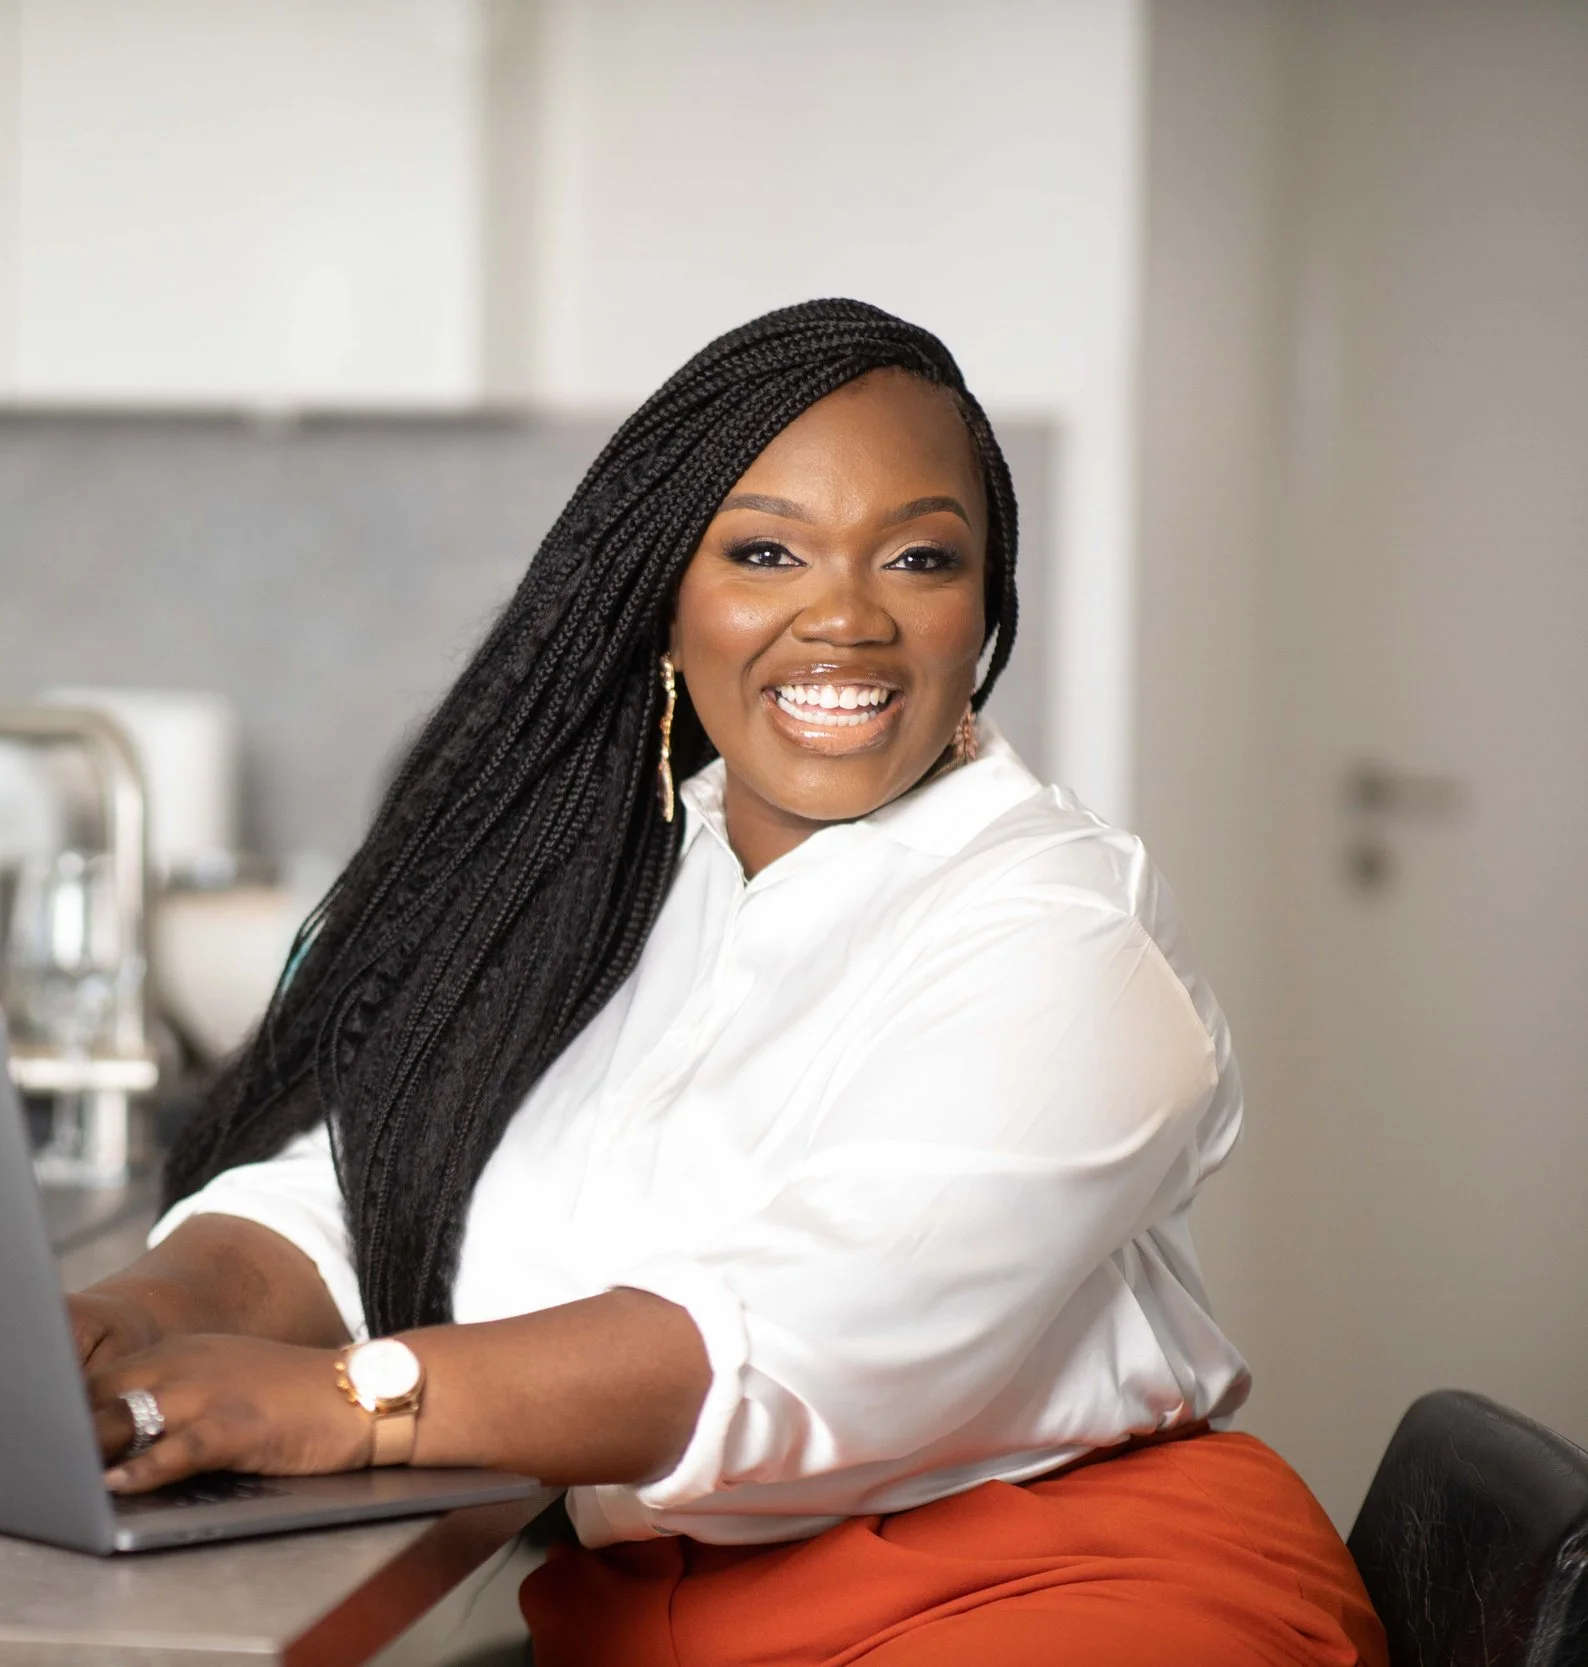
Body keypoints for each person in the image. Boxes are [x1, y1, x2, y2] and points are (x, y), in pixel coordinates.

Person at [68, 300, 1382, 1666]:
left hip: (1051, 1600)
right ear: (666, 603)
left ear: (983, 609)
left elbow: (806, 1338)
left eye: (920, 558)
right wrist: (130, 1320)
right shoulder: (629, 885)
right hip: (672, 1625)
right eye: (766, 552)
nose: (847, 617)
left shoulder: (1061, 933)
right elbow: (380, 1187)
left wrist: (355, 1400)